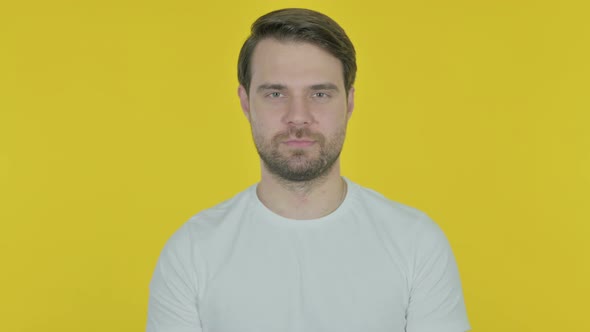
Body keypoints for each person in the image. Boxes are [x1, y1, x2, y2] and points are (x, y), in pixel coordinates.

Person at [147, 8, 470, 332]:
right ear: (245, 102)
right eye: (276, 93)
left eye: (319, 94)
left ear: (349, 102)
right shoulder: (192, 252)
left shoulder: (416, 243)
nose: (298, 116)